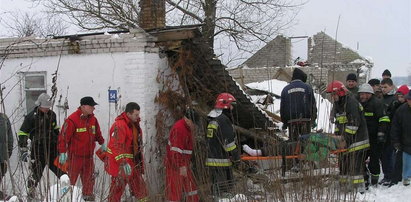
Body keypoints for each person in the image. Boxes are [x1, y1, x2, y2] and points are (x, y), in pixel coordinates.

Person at [57, 96, 105, 201]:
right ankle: (67, 198)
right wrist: (62, 152)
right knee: (71, 181)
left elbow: (97, 134)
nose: (93, 108)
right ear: (83, 106)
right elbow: (63, 138)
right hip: (75, 158)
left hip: (89, 158)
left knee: (89, 182)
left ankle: (87, 198)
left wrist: (102, 143)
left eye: (93, 106)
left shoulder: (93, 119)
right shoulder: (72, 120)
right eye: (91, 106)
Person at [17, 93, 65, 198]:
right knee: (35, 176)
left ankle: (68, 194)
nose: (47, 109)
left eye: (48, 107)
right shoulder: (31, 117)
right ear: (39, 105)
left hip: (52, 150)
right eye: (45, 107)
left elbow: (55, 129)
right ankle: (31, 195)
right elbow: (22, 133)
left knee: (64, 173)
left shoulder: (52, 115)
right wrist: (24, 149)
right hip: (37, 152)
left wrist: (61, 146)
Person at [326, 81, 369, 192]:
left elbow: (353, 124)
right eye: (331, 94)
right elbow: (338, 123)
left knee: (355, 166)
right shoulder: (337, 104)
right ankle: (344, 187)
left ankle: (359, 189)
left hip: (357, 141)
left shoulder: (351, 103)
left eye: (334, 94)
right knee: (343, 164)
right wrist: (337, 137)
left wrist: (344, 139)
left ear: (340, 93)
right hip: (346, 140)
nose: (332, 97)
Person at [106, 102, 148, 202]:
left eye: (138, 114)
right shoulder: (120, 125)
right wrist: (123, 163)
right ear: (128, 114)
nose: (138, 117)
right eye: (136, 115)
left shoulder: (134, 125)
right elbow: (116, 146)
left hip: (133, 163)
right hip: (122, 165)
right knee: (116, 191)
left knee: (141, 190)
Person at [206, 93, 240, 197]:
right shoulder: (223, 120)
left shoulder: (212, 118)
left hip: (212, 160)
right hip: (222, 162)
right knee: (224, 193)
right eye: (231, 105)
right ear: (226, 105)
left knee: (216, 190)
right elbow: (228, 143)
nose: (233, 108)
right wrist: (236, 157)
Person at [357, 84, 389, 187]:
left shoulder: (377, 104)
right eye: (361, 94)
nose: (363, 96)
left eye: (365, 94)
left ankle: (375, 180)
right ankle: (365, 177)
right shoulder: (358, 103)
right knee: (360, 159)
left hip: (375, 138)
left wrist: (381, 133)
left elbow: (384, 119)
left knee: (374, 161)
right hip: (363, 137)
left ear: (370, 94)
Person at [165, 108, 199, 202]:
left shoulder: (187, 129)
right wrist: (181, 166)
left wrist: (186, 164)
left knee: (191, 188)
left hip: (183, 164)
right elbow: (175, 151)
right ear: (187, 120)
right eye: (193, 123)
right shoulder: (179, 129)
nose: (195, 126)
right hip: (174, 165)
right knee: (174, 192)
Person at [280, 68, 317, 142]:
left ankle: (294, 152)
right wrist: (313, 119)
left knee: (293, 143)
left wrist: (284, 123)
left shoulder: (285, 89)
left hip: (291, 122)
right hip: (305, 121)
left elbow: (282, 108)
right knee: (306, 143)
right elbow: (313, 105)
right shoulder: (308, 87)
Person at [389, 85, 410, 185]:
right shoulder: (401, 110)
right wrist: (396, 141)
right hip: (404, 141)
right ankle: (403, 179)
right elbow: (395, 127)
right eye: (409, 100)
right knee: (403, 162)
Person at [379, 78, 397, 186]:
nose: (383, 89)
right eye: (382, 87)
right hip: (383, 131)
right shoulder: (382, 99)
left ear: (391, 86)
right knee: (384, 155)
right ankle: (386, 175)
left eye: (385, 87)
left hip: (391, 131)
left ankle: (391, 176)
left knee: (390, 155)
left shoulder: (394, 99)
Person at [0, 113, 12, 200]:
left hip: (2, 156)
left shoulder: (4, 118)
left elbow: (10, 136)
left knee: (2, 170)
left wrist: (9, 151)